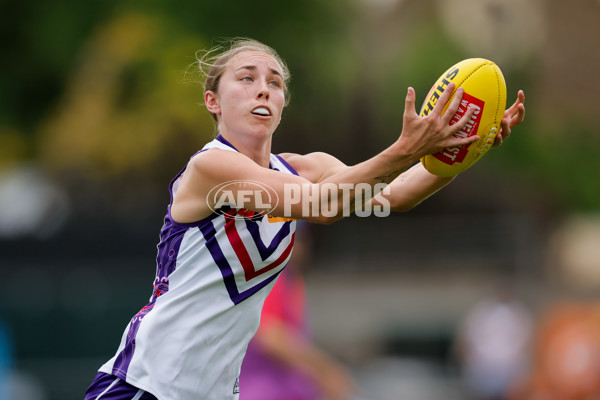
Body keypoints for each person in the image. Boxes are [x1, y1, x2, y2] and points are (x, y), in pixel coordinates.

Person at [84, 38, 526, 400]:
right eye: (247, 78)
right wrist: (407, 148)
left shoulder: (304, 167)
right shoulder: (210, 170)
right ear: (212, 101)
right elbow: (325, 205)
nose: (263, 89)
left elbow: (398, 194)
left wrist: (462, 149)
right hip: (144, 384)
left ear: (282, 103)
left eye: (274, 83)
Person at [239, 222, 357, 400]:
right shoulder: (270, 278)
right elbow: (271, 336)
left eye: (300, 238)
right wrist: (326, 371)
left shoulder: (290, 278)